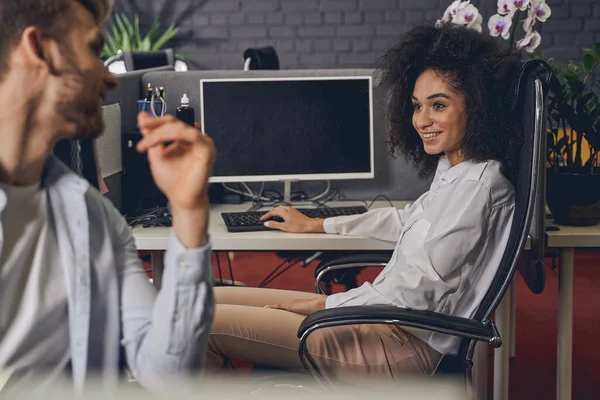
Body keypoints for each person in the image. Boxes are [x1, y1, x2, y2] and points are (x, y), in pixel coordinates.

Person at [206, 22, 522, 381]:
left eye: (439, 105)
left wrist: (324, 304)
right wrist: (318, 224)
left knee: (203, 323)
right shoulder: (456, 170)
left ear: (477, 106)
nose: (422, 120)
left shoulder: (479, 187)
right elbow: (407, 222)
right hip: (379, 320)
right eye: (417, 106)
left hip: (397, 344)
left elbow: (420, 292)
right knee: (208, 299)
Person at [0, 0, 215, 393]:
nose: (111, 77)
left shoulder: (93, 217)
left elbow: (169, 376)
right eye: (95, 49)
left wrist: (189, 212)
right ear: (40, 49)